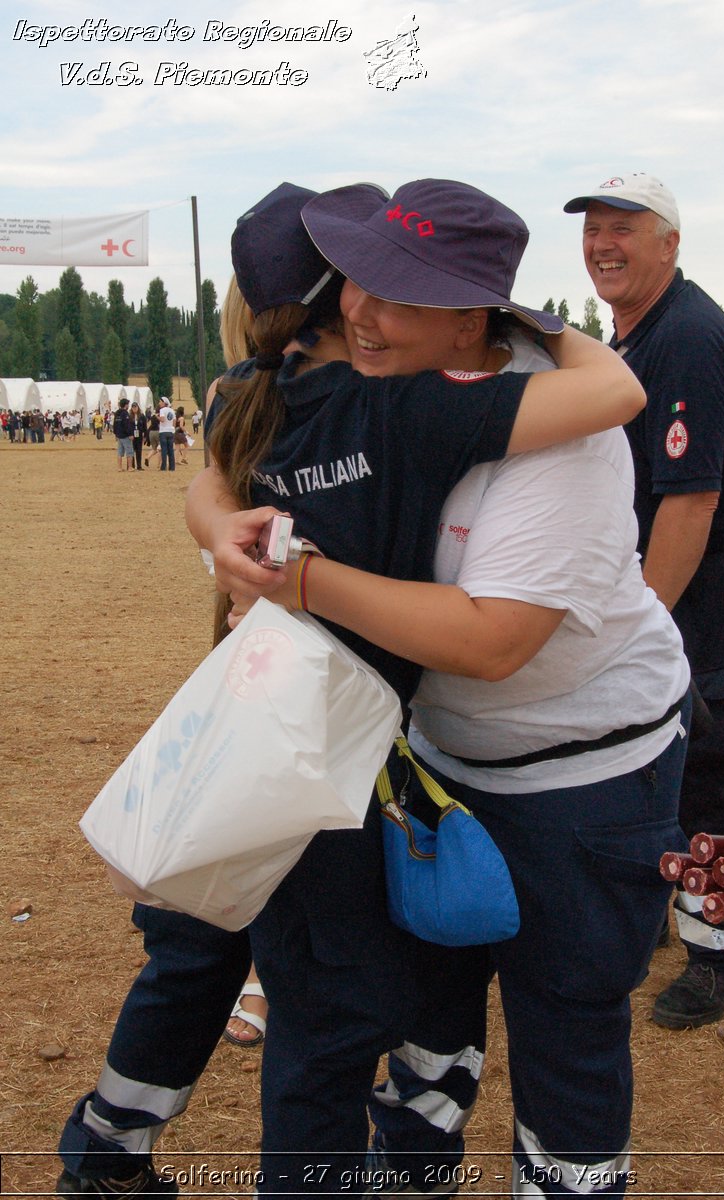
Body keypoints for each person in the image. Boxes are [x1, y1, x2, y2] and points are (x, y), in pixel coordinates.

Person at [56, 179, 644, 1199]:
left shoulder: (247, 399)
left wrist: (216, 525)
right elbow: (616, 396)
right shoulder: (401, 408)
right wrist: (540, 321)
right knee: (339, 1013)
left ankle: (109, 1149)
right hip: (343, 757)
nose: (375, 308)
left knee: (224, 960)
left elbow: (217, 498)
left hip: (261, 727)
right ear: (340, 300)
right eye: (365, 283)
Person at [213, 181, 692, 1200]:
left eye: (397, 294)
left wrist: (294, 577)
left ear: (472, 319)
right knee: (427, 1020)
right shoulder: (376, 385)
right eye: (357, 283)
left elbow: (493, 642)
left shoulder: (551, 430)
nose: (357, 311)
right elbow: (239, 429)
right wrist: (215, 524)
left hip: (582, 778)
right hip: (435, 761)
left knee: (565, 1034)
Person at [563, 172, 724, 1030]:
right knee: (642, 757)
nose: (603, 243)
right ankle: (655, 915)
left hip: (694, 591)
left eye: (624, 229)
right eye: (593, 229)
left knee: (699, 768)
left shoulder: (682, 335)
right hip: (663, 588)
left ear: (670, 243)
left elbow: (692, 501)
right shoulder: (640, 333)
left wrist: (640, 623)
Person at [112, 399, 135, 472]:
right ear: (125, 405)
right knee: (129, 451)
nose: (128, 406)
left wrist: (115, 433)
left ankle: (119, 467)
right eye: (128, 404)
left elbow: (114, 424)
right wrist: (130, 434)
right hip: (125, 436)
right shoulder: (125, 414)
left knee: (120, 452)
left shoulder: (117, 413)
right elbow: (127, 425)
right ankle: (130, 467)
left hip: (119, 435)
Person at [157, 398, 176, 471]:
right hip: (170, 431)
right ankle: (172, 467)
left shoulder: (162, 410)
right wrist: (172, 429)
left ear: (164, 403)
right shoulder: (172, 411)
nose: (159, 403)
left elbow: (162, 419)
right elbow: (174, 421)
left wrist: (157, 417)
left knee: (164, 450)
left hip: (163, 431)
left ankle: (163, 466)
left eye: (160, 402)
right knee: (171, 450)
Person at [129, 402, 147, 470]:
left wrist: (145, 436)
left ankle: (139, 466)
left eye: (135, 407)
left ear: (138, 407)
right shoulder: (130, 416)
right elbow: (128, 426)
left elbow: (145, 427)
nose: (134, 408)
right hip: (132, 435)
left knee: (139, 451)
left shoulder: (142, 416)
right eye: (133, 407)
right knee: (132, 450)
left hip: (139, 435)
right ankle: (132, 465)